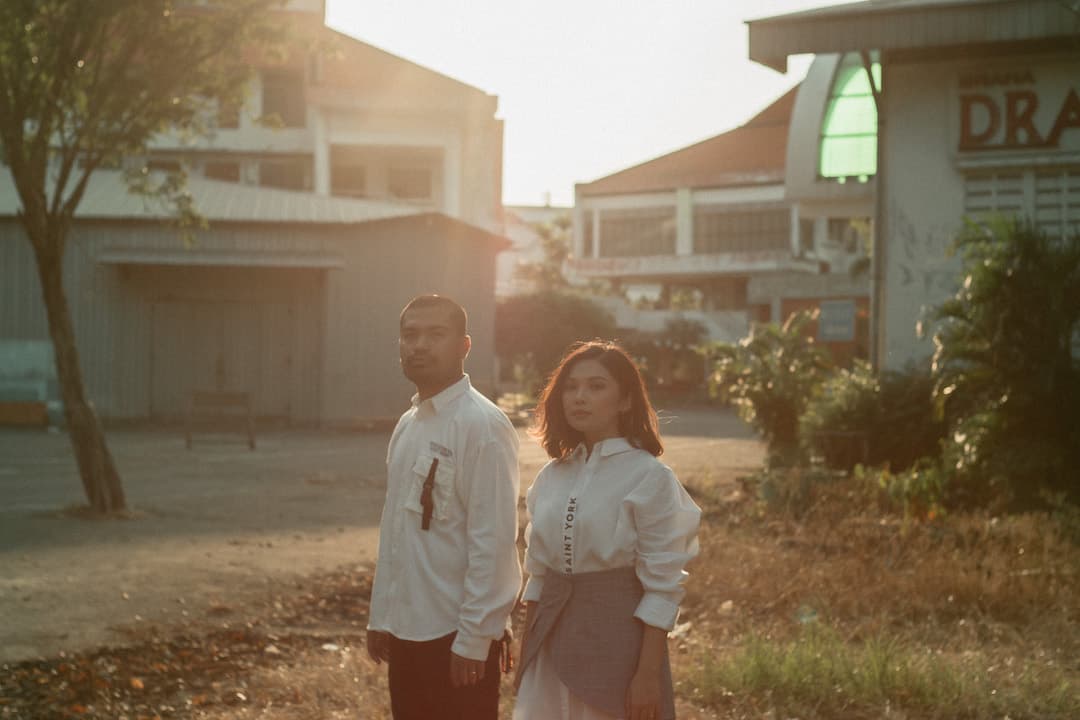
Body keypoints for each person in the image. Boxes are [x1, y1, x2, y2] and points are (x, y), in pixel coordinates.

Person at [514, 340, 701, 720]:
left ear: (626, 400)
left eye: (596, 386)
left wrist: (647, 675)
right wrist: (526, 655)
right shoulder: (551, 476)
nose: (579, 397)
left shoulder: (649, 476)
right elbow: (538, 576)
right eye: (571, 387)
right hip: (549, 648)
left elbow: (663, 588)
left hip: (618, 646)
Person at [367, 294, 521, 720]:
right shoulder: (409, 425)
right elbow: (395, 531)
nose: (419, 345)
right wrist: (382, 615)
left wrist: (474, 639)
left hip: (456, 636)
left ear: (464, 346)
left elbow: (494, 543)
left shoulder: (482, 426)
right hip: (407, 629)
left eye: (435, 334)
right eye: (410, 334)